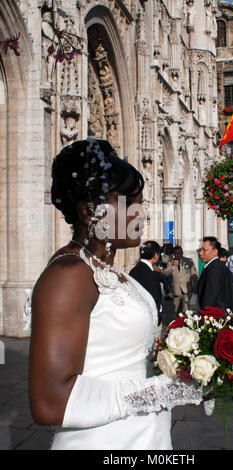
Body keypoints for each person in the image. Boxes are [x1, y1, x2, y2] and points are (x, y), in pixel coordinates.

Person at [28, 139, 202, 451]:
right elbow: (50, 401)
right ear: (88, 212)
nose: (141, 214)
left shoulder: (111, 270)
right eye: (129, 203)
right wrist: (170, 391)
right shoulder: (68, 275)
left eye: (141, 203)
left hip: (144, 437)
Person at [129, 240, 172, 339]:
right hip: (150, 321)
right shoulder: (150, 274)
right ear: (156, 256)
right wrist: (158, 318)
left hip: (137, 318)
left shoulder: (133, 271)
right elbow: (154, 299)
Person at [197, 236, 233, 313]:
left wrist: (204, 315)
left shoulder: (214, 269)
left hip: (216, 315)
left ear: (215, 252)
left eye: (204, 250)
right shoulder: (215, 266)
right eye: (200, 250)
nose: (200, 253)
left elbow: (209, 297)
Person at [170, 246, 198, 314]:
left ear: (182, 253)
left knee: (185, 310)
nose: (177, 255)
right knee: (176, 310)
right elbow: (166, 273)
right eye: (175, 253)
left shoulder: (189, 261)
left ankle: (185, 323)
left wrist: (195, 287)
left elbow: (194, 274)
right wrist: (173, 266)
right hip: (176, 289)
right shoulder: (171, 262)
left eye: (179, 253)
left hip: (187, 289)